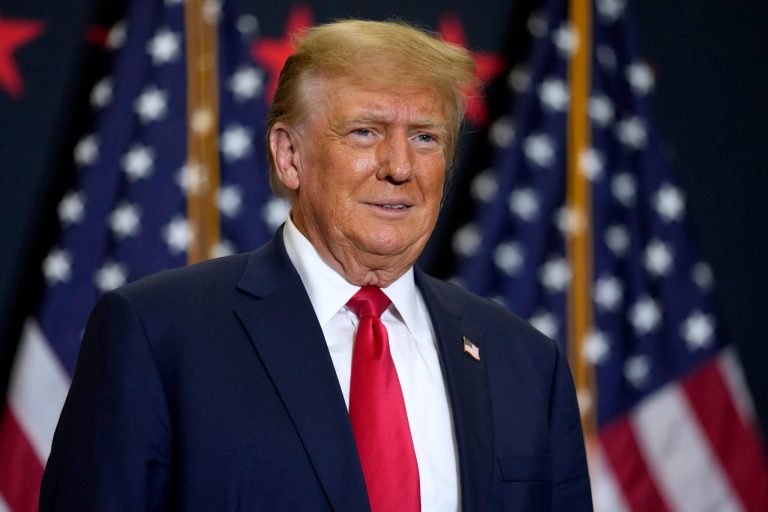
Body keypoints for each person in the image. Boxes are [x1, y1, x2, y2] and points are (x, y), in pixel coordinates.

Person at [40, 20, 592, 511]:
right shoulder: (158, 333)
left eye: (425, 137)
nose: (400, 167)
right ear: (289, 156)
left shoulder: (525, 362)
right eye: (365, 132)